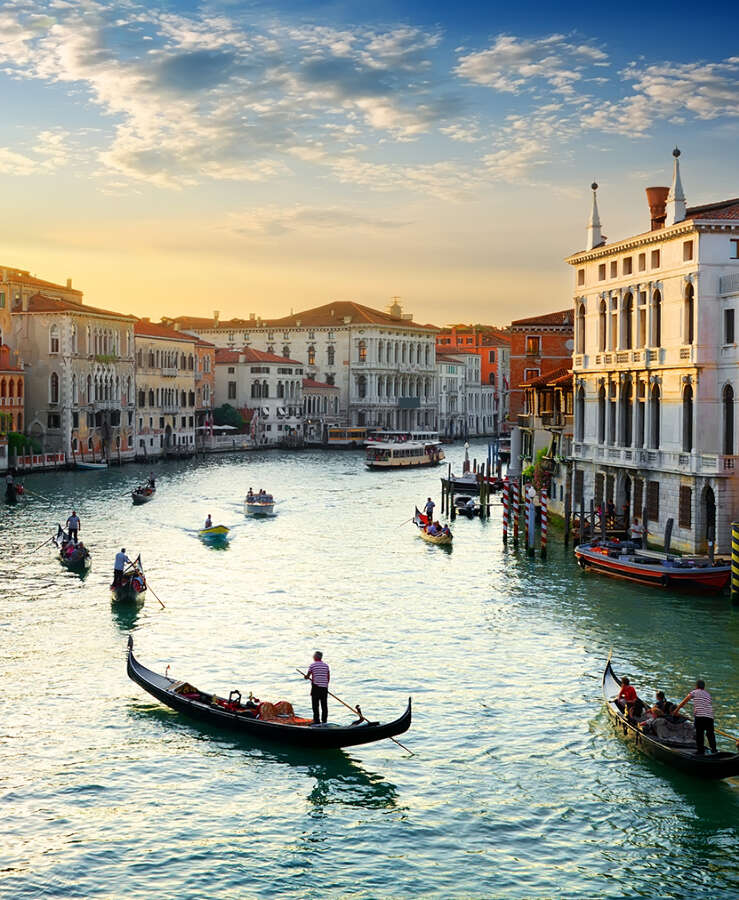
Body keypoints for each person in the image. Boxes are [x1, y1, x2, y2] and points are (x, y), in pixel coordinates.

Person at [673, 679, 717, 755]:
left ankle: (700, 751)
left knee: (699, 734)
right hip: (710, 717)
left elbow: (684, 701)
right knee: (710, 734)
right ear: (704, 687)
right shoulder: (708, 694)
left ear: (696, 686)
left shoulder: (694, 692)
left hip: (700, 716)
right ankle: (714, 750)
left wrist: (676, 711)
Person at [304, 651, 330, 725]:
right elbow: (328, 677)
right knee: (324, 705)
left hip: (316, 687)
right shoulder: (326, 666)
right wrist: (325, 685)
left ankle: (317, 721)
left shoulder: (312, 665)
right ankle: (324, 721)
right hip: (324, 687)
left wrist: (306, 677)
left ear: (315, 657)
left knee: (315, 705)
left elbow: (308, 676)